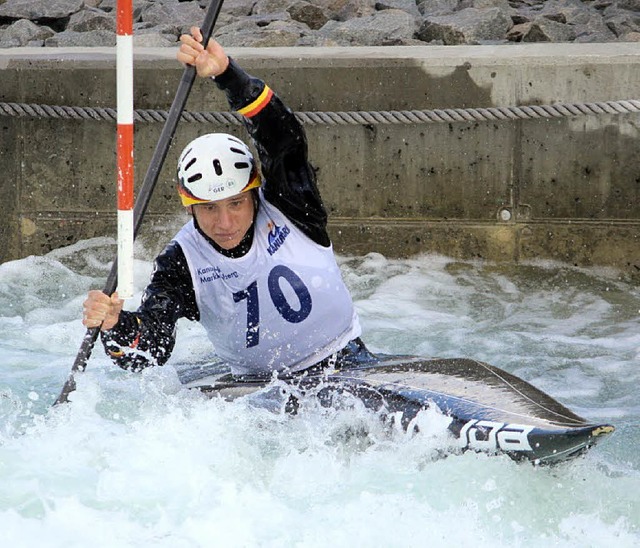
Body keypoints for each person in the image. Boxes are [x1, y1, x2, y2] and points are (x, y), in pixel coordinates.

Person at [82, 27, 372, 380]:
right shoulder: (180, 262)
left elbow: (284, 138)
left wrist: (227, 75)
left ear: (253, 193)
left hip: (344, 360)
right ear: (189, 206)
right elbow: (150, 351)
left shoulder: (292, 206)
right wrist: (116, 325)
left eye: (235, 204)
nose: (225, 223)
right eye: (208, 208)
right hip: (255, 388)